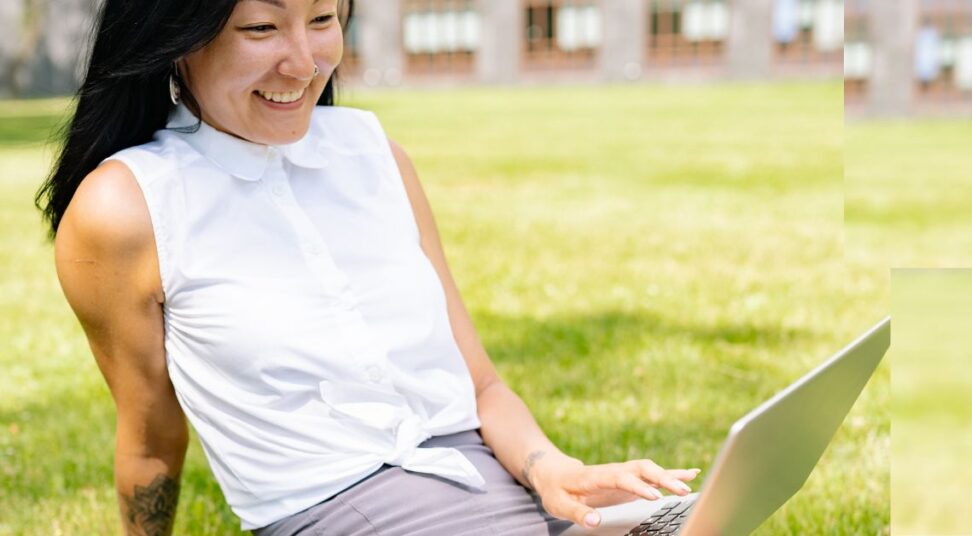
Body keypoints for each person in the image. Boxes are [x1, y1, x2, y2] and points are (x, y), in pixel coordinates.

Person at [35, 0, 700, 534]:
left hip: (489, 488)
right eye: (262, 28)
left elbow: (483, 387)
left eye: (323, 20)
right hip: (325, 509)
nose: (303, 63)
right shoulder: (125, 207)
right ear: (178, 35)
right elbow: (151, 436)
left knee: (696, 520)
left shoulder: (376, 154)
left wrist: (553, 470)